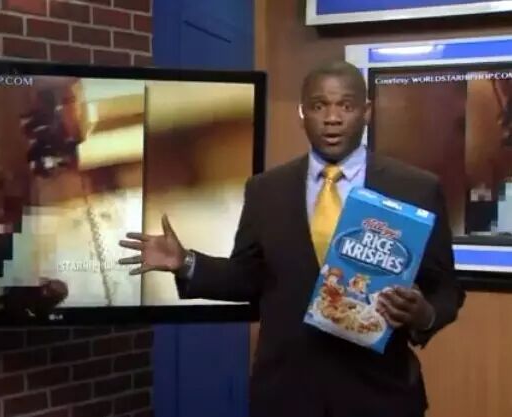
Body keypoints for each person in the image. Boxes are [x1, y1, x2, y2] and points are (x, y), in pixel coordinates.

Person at [118, 60, 465, 417]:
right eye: (319, 106)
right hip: (287, 396)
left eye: (346, 106)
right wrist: (186, 263)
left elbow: (447, 290)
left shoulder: (415, 189)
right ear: (302, 113)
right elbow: (248, 276)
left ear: (366, 112)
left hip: (379, 396)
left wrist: (424, 315)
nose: (332, 118)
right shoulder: (266, 189)